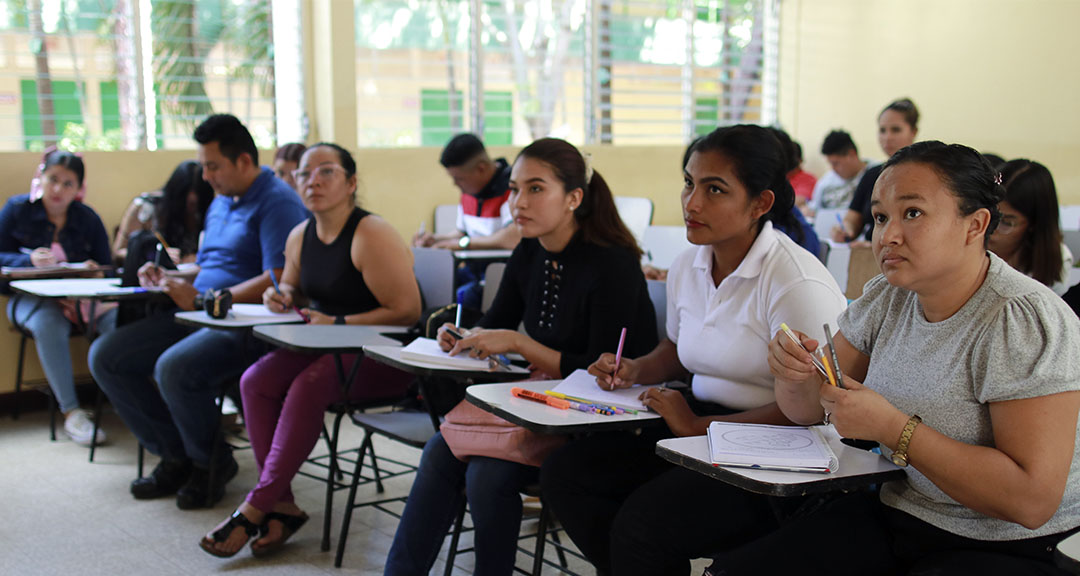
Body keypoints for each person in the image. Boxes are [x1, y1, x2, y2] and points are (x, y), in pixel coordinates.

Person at [717, 141, 1080, 576]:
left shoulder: (1018, 318)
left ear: (975, 225)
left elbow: (1031, 501)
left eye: (913, 213)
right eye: (880, 217)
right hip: (900, 512)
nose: (888, 235)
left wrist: (893, 428)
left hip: (1005, 544)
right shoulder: (890, 296)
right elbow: (807, 408)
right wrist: (794, 374)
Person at [540, 125, 847, 576]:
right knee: (566, 475)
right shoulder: (689, 263)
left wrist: (698, 425)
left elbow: (818, 408)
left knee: (642, 525)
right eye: (689, 183)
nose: (692, 202)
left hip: (784, 453)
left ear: (760, 204)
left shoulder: (794, 281)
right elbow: (677, 348)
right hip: (700, 428)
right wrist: (635, 369)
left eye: (715, 189)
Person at [386, 138, 659, 576]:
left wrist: (519, 344)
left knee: (486, 476)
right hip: (543, 400)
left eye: (535, 189)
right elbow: (497, 321)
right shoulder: (530, 249)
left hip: (601, 415)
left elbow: (603, 371)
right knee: (440, 450)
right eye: (514, 189)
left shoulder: (612, 262)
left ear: (573, 198)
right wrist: (463, 336)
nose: (518, 202)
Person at [199, 143, 422, 557]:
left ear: (351, 183)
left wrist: (340, 323)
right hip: (326, 344)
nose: (312, 181)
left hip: (384, 354)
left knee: (310, 384)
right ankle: (282, 505)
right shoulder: (300, 235)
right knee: (255, 381)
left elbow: (407, 311)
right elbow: (292, 286)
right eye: (303, 173)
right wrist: (280, 296)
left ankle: (257, 505)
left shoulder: (371, 233)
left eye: (326, 171)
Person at [89, 114, 309, 509]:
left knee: (174, 368)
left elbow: (278, 276)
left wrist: (209, 299)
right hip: (200, 311)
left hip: (247, 323)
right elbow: (208, 265)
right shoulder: (222, 200)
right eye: (203, 165)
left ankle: (209, 463)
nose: (205, 176)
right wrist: (170, 275)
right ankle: (177, 455)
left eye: (213, 166)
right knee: (107, 356)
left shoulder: (278, 202)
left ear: (244, 161)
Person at [0, 149, 115, 446]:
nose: (58, 189)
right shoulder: (16, 209)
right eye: (53, 179)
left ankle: (125, 398)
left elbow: (107, 265)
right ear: (41, 177)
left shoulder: (87, 218)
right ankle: (72, 412)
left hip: (81, 299)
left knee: (117, 318)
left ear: (78, 189)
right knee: (49, 323)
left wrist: (93, 271)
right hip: (29, 300)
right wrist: (27, 261)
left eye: (68, 183)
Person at [412, 133, 522, 310]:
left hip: (499, 272)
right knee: (430, 285)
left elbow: (511, 237)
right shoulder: (469, 193)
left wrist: (462, 244)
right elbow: (462, 232)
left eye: (459, 179)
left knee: (463, 296)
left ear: (481, 168)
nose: (455, 184)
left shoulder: (510, 190)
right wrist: (436, 239)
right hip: (473, 270)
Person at [833, 98, 919, 242]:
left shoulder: (925, 176)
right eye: (882, 130)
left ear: (913, 132)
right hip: (870, 252)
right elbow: (852, 219)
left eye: (896, 130)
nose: (887, 137)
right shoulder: (872, 175)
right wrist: (844, 229)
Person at [988, 159, 1072, 295]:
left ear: (1034, 224)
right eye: (988, 214)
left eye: (1007, 223)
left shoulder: (1055, 263)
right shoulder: (968, 240)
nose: (990, 228)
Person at [113, 160, 214, 266]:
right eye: (188, 204)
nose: (192, 212)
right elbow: (118, 253)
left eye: (197, 205)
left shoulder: (211, 212)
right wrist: (155, 256)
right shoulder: (145, 208)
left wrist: (198, 258)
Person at [807, 129, 870, 215]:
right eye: (830, 164)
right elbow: (813, 210)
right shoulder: (825, 182)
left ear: (851, 154)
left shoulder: (875, 174)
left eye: (836, 163)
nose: (833, 169)